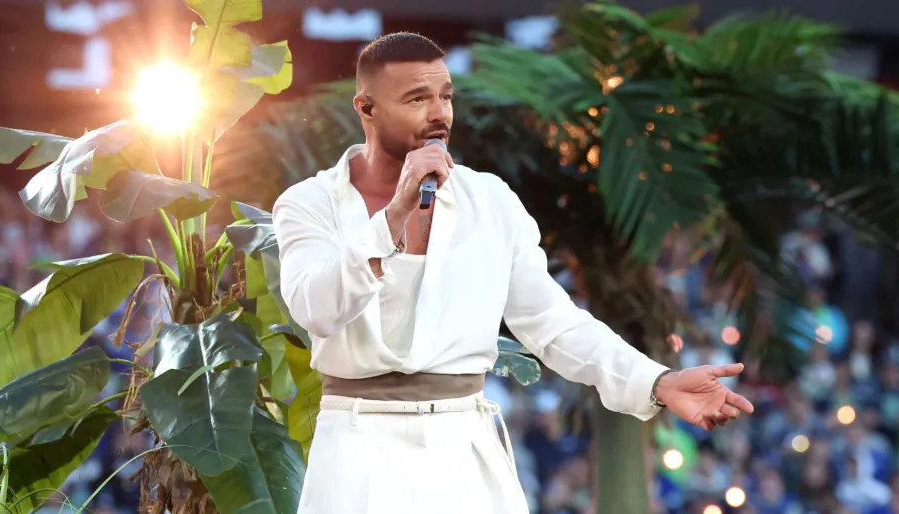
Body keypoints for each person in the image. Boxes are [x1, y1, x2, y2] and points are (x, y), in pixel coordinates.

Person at [271, 32, 755, 514]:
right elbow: (316, 309)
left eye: (446, 96)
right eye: (417, 99)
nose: (439, 113)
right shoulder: (309, 204)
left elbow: (553, 324)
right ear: (367, 109)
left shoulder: (490, 201)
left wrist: (658, 382)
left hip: (463, 450)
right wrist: (395, 213)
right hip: (355, 448)